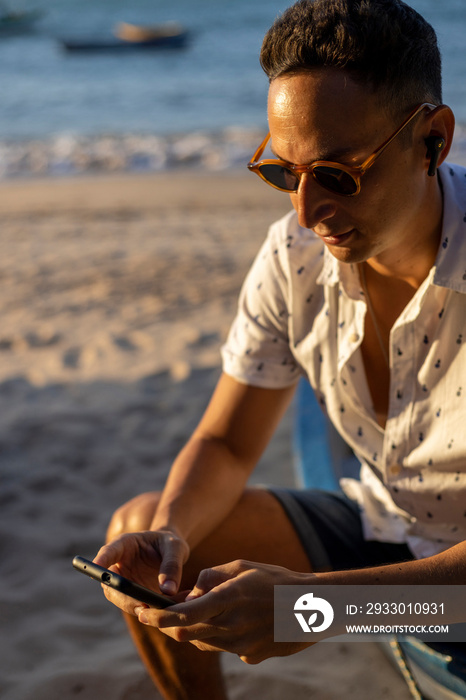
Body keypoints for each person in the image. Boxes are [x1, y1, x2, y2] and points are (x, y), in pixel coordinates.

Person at [94, 1, 466, 698]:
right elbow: (229, 444)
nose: (305, 210)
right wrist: (174, 532)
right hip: (387, 521)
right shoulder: (295, 255)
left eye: (339, 174)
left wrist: (314, 608)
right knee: (143, 536)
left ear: (433, 141)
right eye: (282, 172)